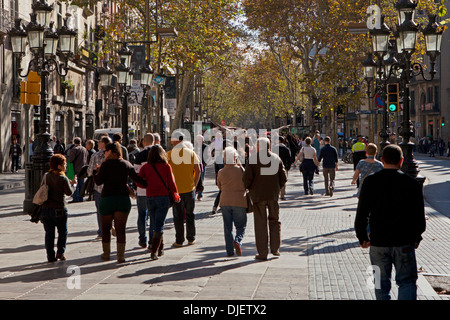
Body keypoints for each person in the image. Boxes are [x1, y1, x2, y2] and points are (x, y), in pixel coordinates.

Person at [354, 144, 426, 300]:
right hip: (404, 241)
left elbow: (362, 213)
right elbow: (419, 215)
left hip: (378, 242)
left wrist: (362, 237)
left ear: (382, 160)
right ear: (401, 161)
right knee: (407, 281)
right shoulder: (412, 183)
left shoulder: (370, 182)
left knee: (380, 283)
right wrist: (416, 236)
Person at [94, 142, 147, 263]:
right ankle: (120, 256)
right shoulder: (126, 164)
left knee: (106, 228)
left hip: (107, 198)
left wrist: (95, 172)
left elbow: (98, 182)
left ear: (112, 152)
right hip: (122, 199)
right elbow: (138, 180)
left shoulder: (105, 165)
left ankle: (106, 254)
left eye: (106, 151)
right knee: (121, 229)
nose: (104, 153)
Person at [243, 137, 287, 261]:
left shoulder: (253, 159)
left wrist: (249, 189)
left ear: (259, 147)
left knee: (260, 223)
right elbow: (284, 177)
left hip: (258, 196)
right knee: (274, 220)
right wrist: (277, 188)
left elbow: (246, 179)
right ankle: (275, 248)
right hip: (273, 195)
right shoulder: (276, 158)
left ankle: (262, 253)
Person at [137, 145, 180, 260]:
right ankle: (154, 251)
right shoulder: (166, 166)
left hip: (150, 197)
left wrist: (147, 185)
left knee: (155, 222)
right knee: (159, 224)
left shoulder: (146, 167)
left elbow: (139, 182)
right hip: (163, 198)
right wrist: (176, 195)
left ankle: (160, 248)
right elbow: (171, 183)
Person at [40, 154, 77, 262]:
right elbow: (69, 192)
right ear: (59, 166)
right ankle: (60, 252)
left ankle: (50, 256)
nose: (65, 166)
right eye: (64, 164)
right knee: (62, 231)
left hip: (46, 209)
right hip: (59, 208)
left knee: (49, 234)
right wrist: (74, 185)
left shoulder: (46, 175)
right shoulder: (62, 177)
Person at [168, 133, 201, 248]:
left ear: (177, 141)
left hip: (176, 190)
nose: (170, 142)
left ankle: (179, 240)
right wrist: (194, 185)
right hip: (189, 188)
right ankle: (191, 238)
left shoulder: (169, 154)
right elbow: (198, 170)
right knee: (190, 214)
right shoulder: (191, 153)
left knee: (177, 216)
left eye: (172, 140)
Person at [217, 147, 248, 257]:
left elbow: (219, 186)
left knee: (227, 227)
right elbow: (247, 183)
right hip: (239, 200)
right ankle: (238, 241)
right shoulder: (241, 170)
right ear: (235, 158)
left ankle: (229, 251)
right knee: (241, 226)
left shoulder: (221, 172)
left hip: (225, 201)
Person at [88, 135, 112, 239]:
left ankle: (102, 231)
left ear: (104, 143)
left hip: (99, 187)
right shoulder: (114, 155)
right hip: (111, 186)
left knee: (100, 210)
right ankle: (111, 227)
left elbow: (89, 172)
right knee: (111, 208)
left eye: (99, 142)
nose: (97, 143)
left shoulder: (96, 155)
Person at [133, 133, 155, 249]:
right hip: (155, 191)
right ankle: (152, 241)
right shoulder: (159, 155)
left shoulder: (140, 155)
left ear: (144, 142)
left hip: (142, 191)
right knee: (153, 216)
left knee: (142, 215)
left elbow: (135, 174)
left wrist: (135, 188)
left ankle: (142, 240)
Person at [67, 137, 88, 202]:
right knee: (81, 184)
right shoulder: (84, 149)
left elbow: (71, 159)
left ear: (74, 142)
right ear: (80, 142)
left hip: (76, 168)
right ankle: (81, 197)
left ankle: (76, 198)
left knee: (75, 184)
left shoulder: (75, 149)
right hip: (83, 168)